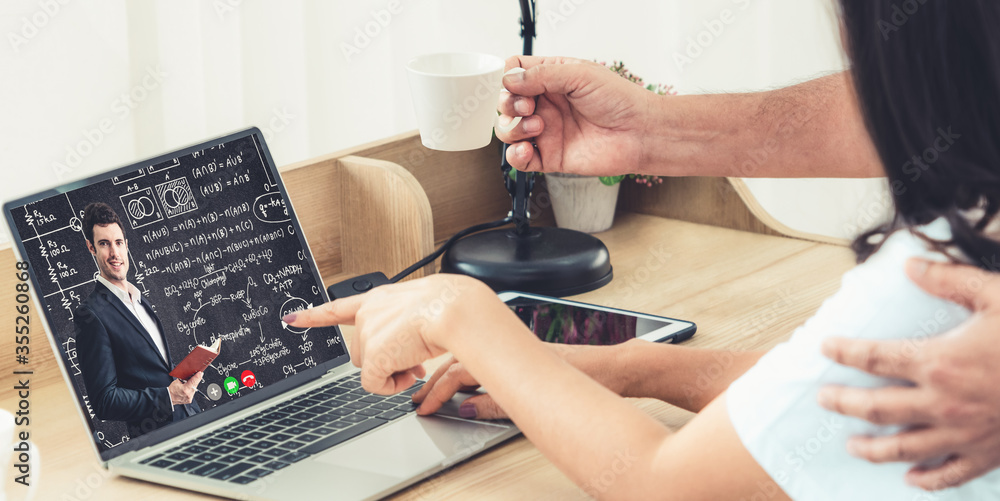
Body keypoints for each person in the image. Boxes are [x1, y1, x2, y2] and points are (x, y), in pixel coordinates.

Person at [284, 1, 1000, 498]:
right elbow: (849, 397)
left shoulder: (943, 269)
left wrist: (457, 309)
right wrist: (629, 366)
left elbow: (667, 482)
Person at [74, 202, 202, 438]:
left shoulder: (140, 299)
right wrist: (168, 396)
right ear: (91, 248)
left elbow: (153, 371)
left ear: (126, 244)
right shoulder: (91, 315)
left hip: (193, 418)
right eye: (104, 244)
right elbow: (104, 401)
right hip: (158, 438)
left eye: (119, 242)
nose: (114, 253)